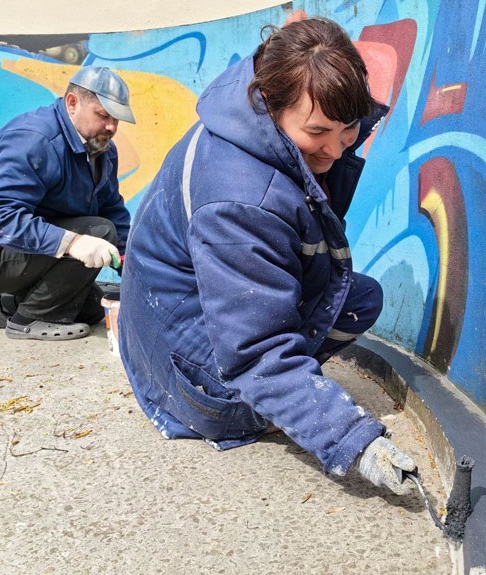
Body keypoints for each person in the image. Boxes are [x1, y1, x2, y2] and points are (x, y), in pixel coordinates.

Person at [119, 18, 417, 495]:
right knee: (273, 363)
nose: (336, 149)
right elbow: (255, 351)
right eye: (319, 131)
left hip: (172, 324)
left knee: (359, 298)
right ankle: (245, 412)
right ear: (271, 106)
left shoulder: (245, 118)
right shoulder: (241, 199)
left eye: (348, 130)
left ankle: (278, 398)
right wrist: (351, 439)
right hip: (194, 381)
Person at [0, 66, 134, 341]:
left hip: (18, 250)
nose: (112, 127)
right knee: (98, 232)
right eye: (103, 115)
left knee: (91, 309)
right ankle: (29, 320)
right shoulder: (35, 141)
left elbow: (111, 209)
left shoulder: (100, 148)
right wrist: (73, 243)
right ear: (72, 103)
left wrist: (129, 264)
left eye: (117, 119)